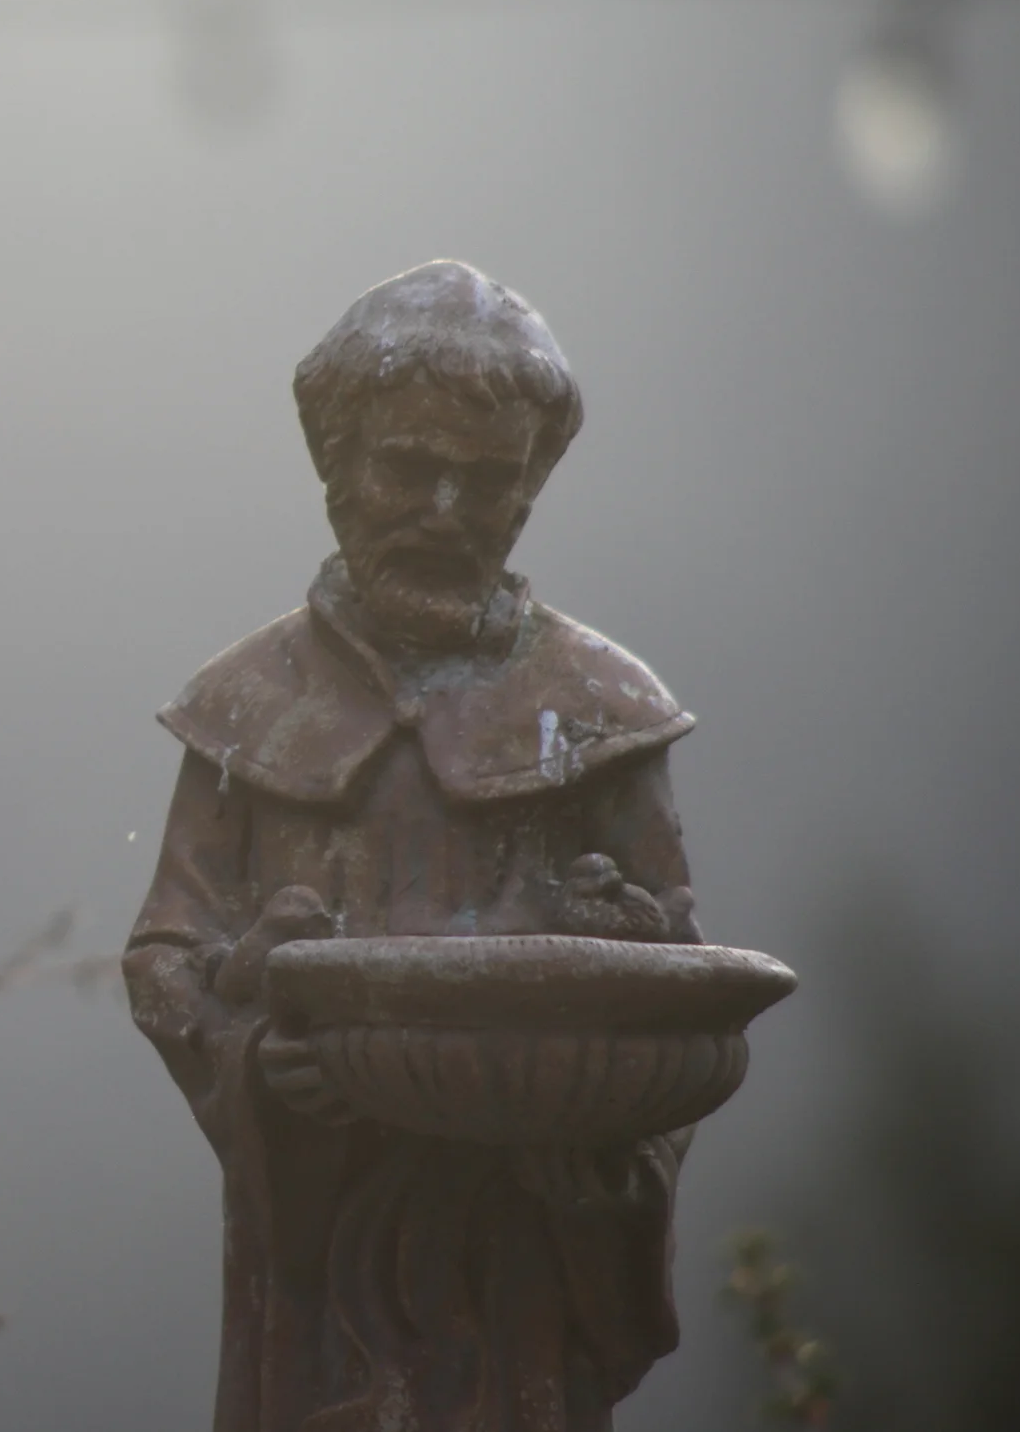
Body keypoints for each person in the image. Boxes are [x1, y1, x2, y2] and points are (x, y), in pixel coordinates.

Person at [124, 261, 702, 1432]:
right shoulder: (244, 707)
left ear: (528, 493)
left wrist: (597, 1107)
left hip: (523, 1263)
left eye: (485, 481)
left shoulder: (598, 709)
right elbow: (167, 954)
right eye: (407, 468)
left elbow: (675, 992)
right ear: (335, 468)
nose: (444, 511)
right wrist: (254, 1057)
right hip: (310, 1276)